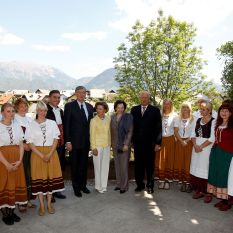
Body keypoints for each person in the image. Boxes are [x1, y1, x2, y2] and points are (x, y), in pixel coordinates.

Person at [25, 101, 65, 216]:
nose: (43, 113)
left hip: (51, 153)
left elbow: (56, 139)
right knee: (39, 180)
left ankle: (49, 203)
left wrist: (50, 153)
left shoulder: (52, 123)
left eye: (45, 110)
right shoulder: (30, 124)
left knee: (49, 178)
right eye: (40, 110)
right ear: (37, 111)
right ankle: (42, 205)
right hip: (37, 154)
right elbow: (30, 142)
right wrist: (42, 155)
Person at [64, 86, 94, 197]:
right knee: (74, 166)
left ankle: (83, 185)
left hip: (86, 142)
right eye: (79, 92)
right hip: (74, 142)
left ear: (86, 94)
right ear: (76, 93)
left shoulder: (90, 107)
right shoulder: (69, 106)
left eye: (84, 92)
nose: (82, 94)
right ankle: (76, 187)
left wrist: (92, 142)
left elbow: (92, 125)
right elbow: (66, 124)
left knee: (83, 165)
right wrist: (67, 141)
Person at [0, 103, 27, 225]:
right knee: (4, 184)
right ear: (2, 113)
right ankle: (5, 214)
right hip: (3, 160)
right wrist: (6, 164)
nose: (11, 114)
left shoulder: (17, 126)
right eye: (8, 111)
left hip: (17, 160)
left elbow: (21, 144)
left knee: (15, 184)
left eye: (12, 111)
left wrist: (20, 160)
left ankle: (12, 211)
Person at [131, 91, 162, 194]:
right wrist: (131, 142)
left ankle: (150, 185)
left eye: (146, 97)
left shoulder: (155, 110)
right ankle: (139, 185)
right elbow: (131, 127)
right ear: (140, 98)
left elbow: (158, 128)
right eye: (142, 97)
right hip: (138, 144)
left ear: (149, 98)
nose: (144, 99)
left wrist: (158, 143)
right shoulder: (134, 109)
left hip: (150, 144)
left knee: (150, 166)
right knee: (138, 165)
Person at [205, 103, 233, 211]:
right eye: (222, 111)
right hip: (217, 152)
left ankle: (228, 201)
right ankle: (222, 199)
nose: (224, 113)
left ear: (231, 113)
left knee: (225, 175)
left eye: (226, 111)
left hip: (227, 154)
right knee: (216, 173)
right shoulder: (218, 124)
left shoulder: (231, 126)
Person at [14, 98, 36, 212]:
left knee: (29, 174)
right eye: (22, 106)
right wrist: (23, 144)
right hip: (19, 151)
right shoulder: (14, 119)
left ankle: (28, 200)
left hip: (30, 150)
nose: (24, 108)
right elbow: (14, 135)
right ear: (17, 107)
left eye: (26, 106)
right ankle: (20, 201)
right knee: (21, 175)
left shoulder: (29, 119)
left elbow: (33, 133)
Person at [190, 102, 215, 199]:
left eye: (203, 109)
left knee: (206, 168)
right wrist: (195, 145)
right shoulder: (197, 120)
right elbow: (193, 134)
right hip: (196, 147)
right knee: (196, 167)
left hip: (206, 148)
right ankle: (199, 190)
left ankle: (208, 192)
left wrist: (201, 146)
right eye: (201, 109)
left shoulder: (214, 121)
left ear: (209, 111)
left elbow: (212, 137)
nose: (201, 111)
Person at [46, 90, 66, 201]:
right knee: (50, 168)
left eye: (58, 98)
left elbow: (63, 126)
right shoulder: (45, 110)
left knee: (58, 167)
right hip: (50, 143)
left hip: (61, 142)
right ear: (49, 98)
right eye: (54, 97)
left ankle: (57, 191)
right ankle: (50, 193)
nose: (57, 99)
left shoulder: (61, 111)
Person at [111, 100, 133, 193]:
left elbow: (130, 131)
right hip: (115, 145)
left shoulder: (128, 117)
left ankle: (124, 186)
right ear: (115, 108)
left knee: (124, 166)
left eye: (122, 107)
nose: (120, 109)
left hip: (124, 145)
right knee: (117, 165)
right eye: (118, 107)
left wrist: (126, 144)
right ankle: (119, 184)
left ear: (124, 108)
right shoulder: (112, 117)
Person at [155, 99, 177, 190]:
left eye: (168, 104)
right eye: (165, 103)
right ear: (163, 105)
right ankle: (161, 180)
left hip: (170, 140)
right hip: (161, 140)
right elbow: (155, 129)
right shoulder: (159, 114)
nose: (167, 105)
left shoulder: (175, 116)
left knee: (169, 159)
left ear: (171, 105)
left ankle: (167, 180)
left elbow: (176, 130)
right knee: (160, 160)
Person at [173, 102, 195, 193]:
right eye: (183, 107)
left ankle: (188, 182)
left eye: (187, 107)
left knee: (188, 162)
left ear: (190, 108)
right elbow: (176, 131)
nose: (185, 109)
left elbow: (194, 132)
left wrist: (186, 141)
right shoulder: (177, 118)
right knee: (180, 161)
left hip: (189, 142)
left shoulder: (194, 118)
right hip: (179, 142)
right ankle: (182, 182)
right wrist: (181, 141)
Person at [90, 102, 111, 193]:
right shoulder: (93, 120)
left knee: (105, 167)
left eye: (101, 109)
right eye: (97, 108)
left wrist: (110, 144)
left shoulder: (108, 119)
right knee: (98, 167)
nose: (98, 110)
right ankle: (98, 186)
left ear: (105, 110)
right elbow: (92, 135)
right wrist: (93, 148)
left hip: (107, 146)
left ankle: (104, 185)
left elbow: (109, 133)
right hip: (97, 146)